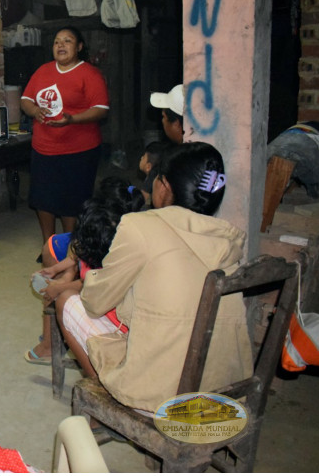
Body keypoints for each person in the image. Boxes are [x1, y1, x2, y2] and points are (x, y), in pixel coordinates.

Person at [56, 142, 252, 415]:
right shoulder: (227, 237)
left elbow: (94, 302)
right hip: (223, 398)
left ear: (163, 187)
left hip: (162, 400)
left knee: (67, 300)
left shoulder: (141, 227)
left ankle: (109, 410)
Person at [25, 180, 144, 365]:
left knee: (63, 299)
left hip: (114, 316)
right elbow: (78, 249)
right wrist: (58, 269)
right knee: (53, 248)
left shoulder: (115, 249)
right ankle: (52, 341)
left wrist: (61, 287)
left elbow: (95, 285)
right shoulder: (107, 233)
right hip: (101, 291)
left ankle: (94, 375)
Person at [21, 26, 109, 254]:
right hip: (44, 147)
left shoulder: (89, 73)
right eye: (57, 41)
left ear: (79, 47)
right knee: (43, 198)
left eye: (67, 41)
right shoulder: (43, 71)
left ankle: (69, 246)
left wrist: (73, 119)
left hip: (78, 150)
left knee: (72, 200)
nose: (60, 45)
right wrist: (34, 111)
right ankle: (49, 246)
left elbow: (101, 109)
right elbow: (26, 99)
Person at [138, 141, 171, 206]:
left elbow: (143, 199)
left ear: (148, 167)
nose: (141, 157)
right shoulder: (164, 172)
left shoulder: (152, 177)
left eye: (144, 156)